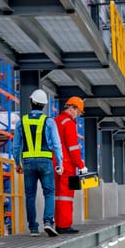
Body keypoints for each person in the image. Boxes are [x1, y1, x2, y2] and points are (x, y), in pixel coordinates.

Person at [13, 89, 64, 237]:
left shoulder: (22, 121)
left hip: (28, 162)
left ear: (31, 102)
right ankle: (48, 222)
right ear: (44, 105)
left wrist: (17, 163)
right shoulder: (49, 121)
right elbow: (56, 144)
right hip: (45, 162)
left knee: (30, 195)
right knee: (49, 193)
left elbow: (16, 146)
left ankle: (33, 228)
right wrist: (60, 162)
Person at [54, 96, 88, 234]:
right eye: (78, 112)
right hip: (67, 165)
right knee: (66, 196)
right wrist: (81, 165)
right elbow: (73, 148)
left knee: (57, 195)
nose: (78, 115)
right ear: (72, 108)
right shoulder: (69, 123)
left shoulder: (56, 121)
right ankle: (64, 225)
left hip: (55, 163)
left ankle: (57, 223)